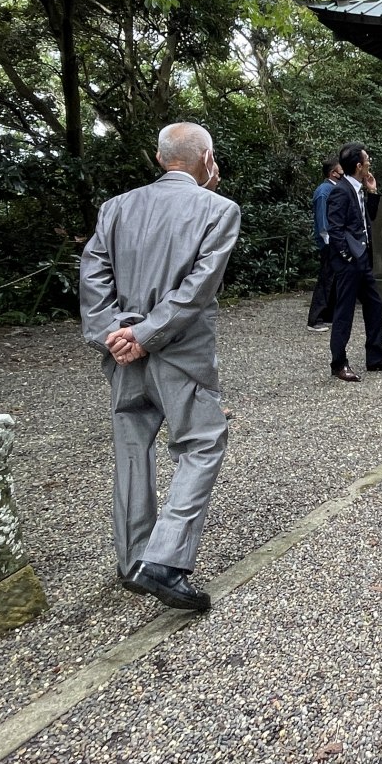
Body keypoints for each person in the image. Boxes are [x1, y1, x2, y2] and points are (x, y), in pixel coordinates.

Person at [78, 121, 242, 611]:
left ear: (158, 159)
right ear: (207, 160)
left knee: (132, 449)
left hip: (121, 352)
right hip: (179, 352)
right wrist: (146, 335)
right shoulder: (219, 209)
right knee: (203, 441)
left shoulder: (116, 207)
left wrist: (114, 334)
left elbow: (93, 275)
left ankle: (132, 561)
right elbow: (198, 288)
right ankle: (165, 561)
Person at [324, 142, 382, 383]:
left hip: (363, 260)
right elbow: (335, 228)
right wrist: (346, 256)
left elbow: (367, 218)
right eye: (367, 159)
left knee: (375, 306)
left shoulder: (358, 189)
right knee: (344, 312)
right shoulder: (341, 191)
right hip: (350, 261)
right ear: (359, 165)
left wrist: (373, 192)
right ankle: (339, 363)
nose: (369, 162)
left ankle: (375, 357)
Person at [307, 155, 342, 331]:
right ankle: (315, 318)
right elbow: (322, 218)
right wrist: (328, 239)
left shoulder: (334, 189)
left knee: (333, 279)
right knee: (326, 279)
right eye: (341, 169)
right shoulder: (324, 191)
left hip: (335, 240)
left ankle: (328, 314)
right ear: (333, 173)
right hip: (329, 241)